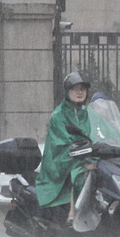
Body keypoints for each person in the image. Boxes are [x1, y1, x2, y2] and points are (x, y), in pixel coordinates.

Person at [36, 72, 92, 225]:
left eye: (82, 89)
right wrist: (85, 160)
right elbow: (64, 144)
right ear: (67, 92)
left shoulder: (86, 113)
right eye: (75, 89)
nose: (79, 92)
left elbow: (95, 135)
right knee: (79, 174)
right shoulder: (58, 116)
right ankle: (74, 215)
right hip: (60, 160)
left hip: (83, 156)